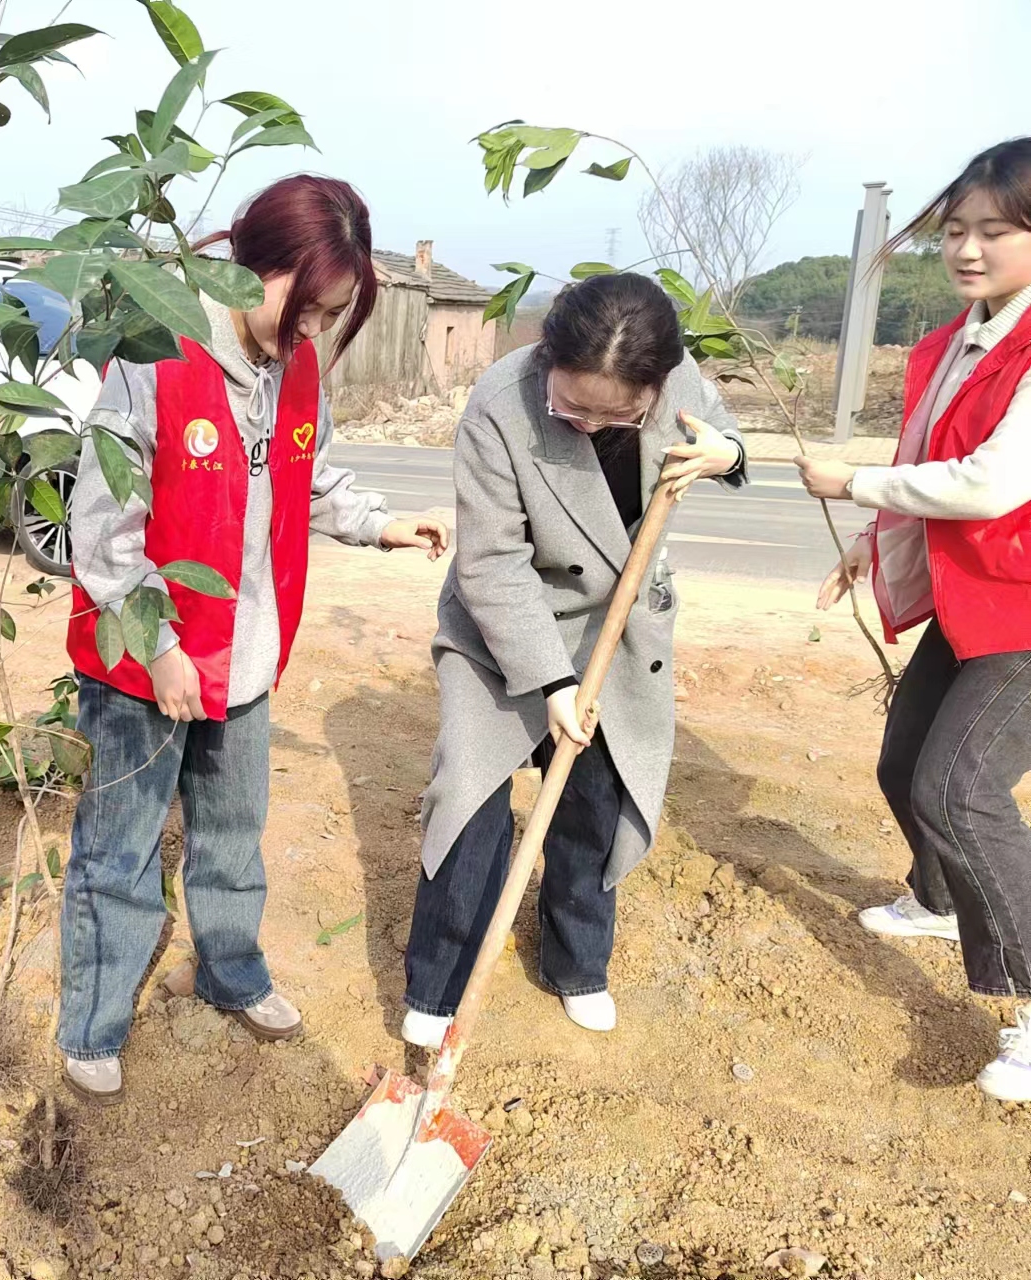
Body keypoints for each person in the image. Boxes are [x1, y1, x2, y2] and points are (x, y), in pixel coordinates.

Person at [58, 175, 450, 1104]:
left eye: (332, 315)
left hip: (247, 654)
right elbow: (103, 528)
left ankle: (230, 971)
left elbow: (308, 475)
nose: (312, 330)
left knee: (233, 834)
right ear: (250, 266)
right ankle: (93, 1024)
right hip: (143, 665)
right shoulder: (156, 357)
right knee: (119, 849)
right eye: (305, 306)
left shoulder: (295, 369)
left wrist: (381, 524)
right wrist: (159, 647)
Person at [405, 272, 748, 1045]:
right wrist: (552, 683)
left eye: (613, 415)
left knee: (594, 798)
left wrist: (725, 452)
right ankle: (439, 983)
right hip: (501, 627)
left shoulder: (678, 384)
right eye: (572, 409)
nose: (589, 425)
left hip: (612, 628)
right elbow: (491, 563)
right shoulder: (501, 403)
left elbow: (725, 437)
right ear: (547, 358)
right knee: (469, 798)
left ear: (653, 388)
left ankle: (578, 964)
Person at [795, 138, 1031, 1103]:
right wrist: (872, 538)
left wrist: (851, 481)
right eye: (955, 230)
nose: (968, 250)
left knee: (960, 789)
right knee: (904, 765)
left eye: (996, 231)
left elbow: (989, 483)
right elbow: (926, 466)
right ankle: (937, 900)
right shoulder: (952, 343)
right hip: (976, 595)